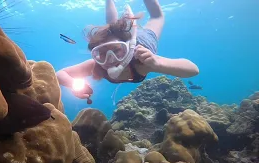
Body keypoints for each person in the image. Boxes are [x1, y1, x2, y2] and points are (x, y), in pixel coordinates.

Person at [56, 0, 199, 99]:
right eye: (102, 53)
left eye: (116, 50)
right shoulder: (98, 64)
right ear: (96, 55)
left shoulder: (143, 61)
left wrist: (157, 63)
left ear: (128, 48)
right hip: (121, 38)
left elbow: (193, 69)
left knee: (157, 17)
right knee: (112, 27)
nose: (110, 58)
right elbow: (60, 74)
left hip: (144, 40)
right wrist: (73, 85)